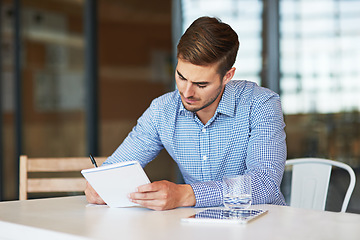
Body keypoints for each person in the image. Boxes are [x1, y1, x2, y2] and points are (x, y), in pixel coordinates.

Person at [85, 16, 287, 210]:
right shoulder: (162, 110)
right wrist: (100, 185)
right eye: (181, 77)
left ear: (227, 76)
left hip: (261, 225)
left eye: (201, 84)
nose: (187, 92)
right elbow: (116, 168)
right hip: (196, 226)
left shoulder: (261, 104)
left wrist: (185, 194)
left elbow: (265, 184)